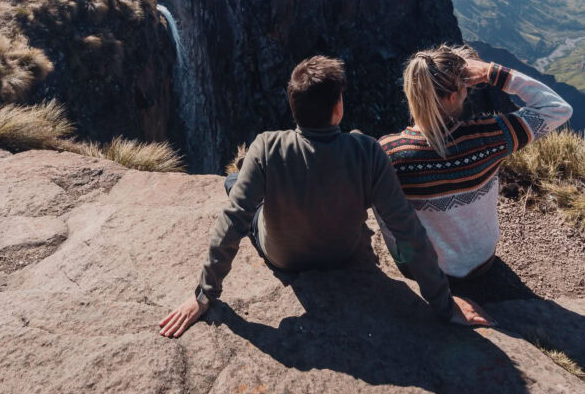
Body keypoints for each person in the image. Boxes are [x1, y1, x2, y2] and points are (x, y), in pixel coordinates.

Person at [159, 55, 491, 339]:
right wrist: (443, 303)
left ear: (294, 107)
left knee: (235, 184)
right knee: (242, 181)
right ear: (338, 108)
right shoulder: (367, 152)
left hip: (282, 258)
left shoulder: (267, 146)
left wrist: (204, 294)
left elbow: (233, 222)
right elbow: (407, 231)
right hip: (343, 255)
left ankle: (247, 177)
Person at [377, 46, 574, 284]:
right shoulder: (491, 136)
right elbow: (559, 109)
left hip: (428, 272)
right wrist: (494, 72)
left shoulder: (390, 153)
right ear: (451, 97)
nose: (467, 94)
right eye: (465, 89)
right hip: (483, 260)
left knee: (379, 194)